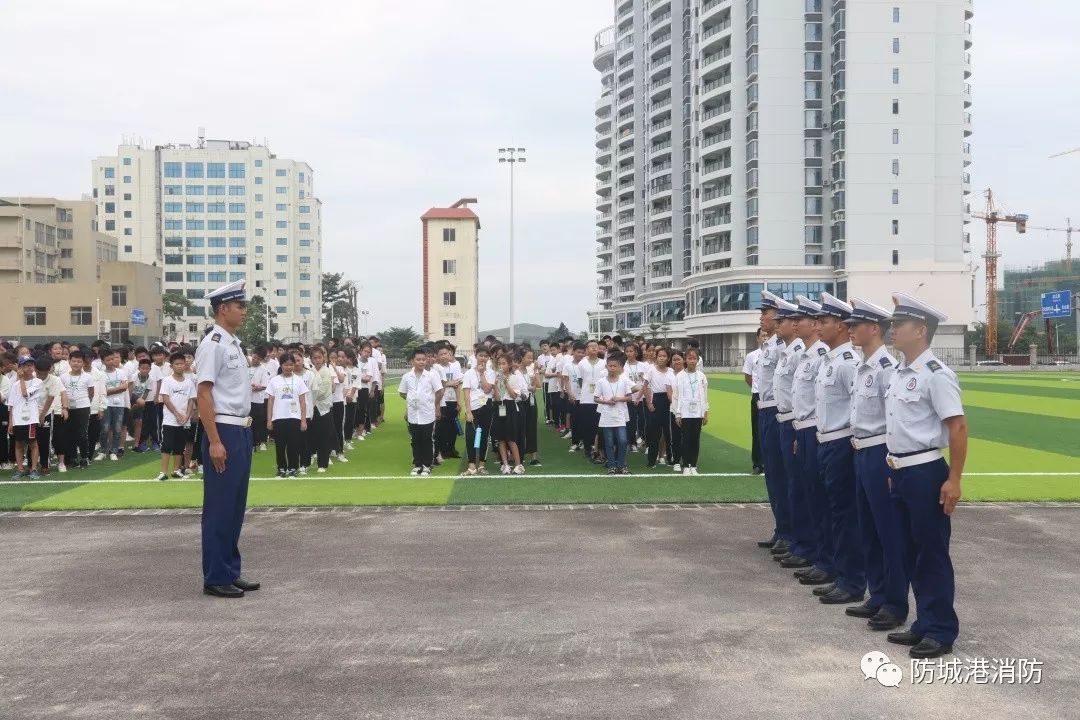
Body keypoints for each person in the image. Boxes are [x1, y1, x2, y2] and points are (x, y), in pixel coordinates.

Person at [883, 292, 967, 660]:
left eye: (898, 325)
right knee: (910, 551)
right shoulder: (901, 373)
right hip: (901, 472)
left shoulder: (937, 375)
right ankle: (923, 622)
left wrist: (955, 480)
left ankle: (941, 630)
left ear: (920, 330)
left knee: (931, 553)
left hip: (927, 472)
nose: (892, 330)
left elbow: (958, 427)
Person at [845, 297, 907, 632]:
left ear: (874, 329)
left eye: (856, 325)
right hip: (860, 452)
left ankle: (895, 603)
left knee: (888, 532)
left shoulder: (886, 370)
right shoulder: (861, 366)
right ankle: (877, 594)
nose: (850, 330)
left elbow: (893, 419)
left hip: (879, 454)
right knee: (867, 529)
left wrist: (889, 462)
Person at [195, 280, 259, 599]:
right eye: (240, 306)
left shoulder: (232, 343)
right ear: (223, 309)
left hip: (241, 429)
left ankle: (230, 570)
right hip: (224, 430)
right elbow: (203, 393)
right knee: (220, 506)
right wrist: (214, 441)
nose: (244, 311)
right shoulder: (214, 344)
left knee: (235, 506)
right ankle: (215, 576)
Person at [812, 292, 865, 605]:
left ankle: (852, 580)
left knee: (846, 516)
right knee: (832, 511)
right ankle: (838, 571)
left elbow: (858, 410)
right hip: (825, 441)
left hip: (842, 444)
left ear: (844, 327)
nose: (820, 325)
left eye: (826, 321)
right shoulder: (828, 361)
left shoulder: (849, 364)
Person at [783, 295, 832, 584]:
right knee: (804, 492)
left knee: (820, 498)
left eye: (800, 319)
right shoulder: (807, 356)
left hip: (818, 431)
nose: (796, 323)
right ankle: (811, 550)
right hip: (803, 428)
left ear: (813, 324)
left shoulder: (823, 356)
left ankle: (820, 555)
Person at [772, 299, 813, 565]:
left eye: (782, 320)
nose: (791, 324)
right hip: (788, 420)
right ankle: (793, 538)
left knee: (801, 488)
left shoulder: (803, 353)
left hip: (803, 426)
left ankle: (805, 545)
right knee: (786, 483)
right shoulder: (791, 351)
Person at [754, 291, 791, 550]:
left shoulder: (784, 347)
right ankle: (781, 528)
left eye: (765, 314)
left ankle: (789, 532)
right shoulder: (769, 345)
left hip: (779, 412)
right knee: (773, 476)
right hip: (765, 410)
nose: (762, 318)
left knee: (784, 476)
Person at [398, 348, 444, 476]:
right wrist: (411, 401)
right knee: (415, 440)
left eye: (423, 359)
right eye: (418, 359)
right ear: (412, 361)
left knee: (427, 439)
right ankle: (417, 464)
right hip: (413, 414)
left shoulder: (431, 375)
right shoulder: (407, 377)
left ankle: (427, 465)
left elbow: (440, 391)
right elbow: (402, 392)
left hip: (427, 413)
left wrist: (434, 405)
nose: (421, 362)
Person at [266, 352, 309, 478]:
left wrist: (303, 420)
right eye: (286, 365)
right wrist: (269, 420)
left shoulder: (299, 380)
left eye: (291, 365)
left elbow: (302, 401)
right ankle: (281, 468)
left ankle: (293, 468)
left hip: (294, 417)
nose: (289, 367)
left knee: (293, 445)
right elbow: (270, 401)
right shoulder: (274, 381)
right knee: (280, 445)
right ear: (281, 365)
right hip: (278, 418)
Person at [595, 350, 636, 475]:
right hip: (607, 415)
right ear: (606, 366)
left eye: (615, 366)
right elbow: (596, 398)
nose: (612, 368)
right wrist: (606, 402)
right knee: (608, 441)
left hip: (620, 416)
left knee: (623, 440)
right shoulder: (601, 382)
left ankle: (621, 465)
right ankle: (612, 466)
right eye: (610, 366)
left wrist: (618, 399)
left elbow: (629, 397)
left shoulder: (623, 381)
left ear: (619, 367)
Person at [156, 351, 196, 482]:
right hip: (170, 420)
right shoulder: (167, 381)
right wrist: (177, 414)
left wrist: (187, 416)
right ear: (171, 366)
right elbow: (166, 400)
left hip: (185, 421)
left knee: (180, 446)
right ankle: (163, 472)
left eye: (182, 363)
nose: (180, 366)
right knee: (167, 445)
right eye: (177, 364)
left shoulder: (189, 382)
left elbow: (191, 400)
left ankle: (176, 470)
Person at [8, 357, 50, 480]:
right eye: (26, 365)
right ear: (20, 368)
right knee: (18, 444)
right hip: (18, 419)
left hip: (31, 419)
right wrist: (11, 421)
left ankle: (33, 468)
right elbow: (11, 404)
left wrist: (20, 378)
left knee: (33, 443)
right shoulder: (15, 385)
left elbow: (25, 394)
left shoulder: (37, 382)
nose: (29, 367)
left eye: (31, 365)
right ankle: (20, 469)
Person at [673, 347, 709, 475]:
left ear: (698, 360)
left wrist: (705, 412)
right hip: (685, 412)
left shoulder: (701, 376)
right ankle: (686, 465)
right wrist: (678, 414)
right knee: (686, 439)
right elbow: (676, 396)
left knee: (695, 439)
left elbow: (705, 396)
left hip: (698, 412)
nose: (692, 361)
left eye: (695, 358)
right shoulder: (680, 376)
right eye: (689, 358)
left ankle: (693, 464)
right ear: (685, 360)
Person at [461, 347, 496, 475]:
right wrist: (468, 411)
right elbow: (466, 393)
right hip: (473, 408)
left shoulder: (491, 373)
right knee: (470, 437)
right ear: (476, 356)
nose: (483, 358)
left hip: (487, 406)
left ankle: (481, 464)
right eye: (481, 355)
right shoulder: (469, 373)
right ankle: (471, 465)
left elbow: (487, 390)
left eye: (486, 356)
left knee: (484, 437)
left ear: (488, 358)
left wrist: (482, 374)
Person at [59, 350, 92, 469]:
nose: (76, 364)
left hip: (83, 407)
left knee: (82, 434)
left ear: (83, 363)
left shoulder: (88, 377)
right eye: (74, 361)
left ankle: (84, 457)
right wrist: (65, 407)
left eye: (79, 361)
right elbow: (61, 393)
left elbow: (91, 393)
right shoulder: (63, 377)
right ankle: (72, 458)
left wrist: (85, 403)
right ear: (69, 361)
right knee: (69, 433)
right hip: (67, 408)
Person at [643, 346, 675, 468]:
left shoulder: (671, 371)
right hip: (656, 400)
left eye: (664, 356)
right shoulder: (651, 370)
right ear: (656, 357)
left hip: (669, 402)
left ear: (668, 358)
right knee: (654, 433)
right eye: (660, 356)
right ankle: (651, 460)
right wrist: (649, 403)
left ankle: (670, 459)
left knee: (668, 432)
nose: (662, 358)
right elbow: (645, 386)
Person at [492, 353, 523, 475]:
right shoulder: (497, 378)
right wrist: (495, 386)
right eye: (499, 363)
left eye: (504, 363)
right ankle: (505, 464)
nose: (501, 366)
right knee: (501, 439)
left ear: (509, 365)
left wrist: (506, 383)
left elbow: (514, 395)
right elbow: (498, 398)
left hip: (510, 407)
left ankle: (518, 464)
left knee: (511, 438)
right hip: (500, 406)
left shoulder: (514, 377)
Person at [98, 348, 131, 461]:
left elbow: (125, 387)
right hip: (105, 405)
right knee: (105, 428)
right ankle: (103, 451)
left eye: (113, 359)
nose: (111, 361)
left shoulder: (121, 372)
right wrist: (118, 388)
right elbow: (103, 391)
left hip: (119, 405)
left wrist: (112, 390)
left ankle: (114, 451)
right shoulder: (100, 375)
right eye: (108, 360)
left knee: (117, 428)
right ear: (103, 361)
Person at [34, 357, 66, 476]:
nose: (41, 375)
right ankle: (32, 465)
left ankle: (45, 465)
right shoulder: (32, 377)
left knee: (45, 439)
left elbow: (50, 398)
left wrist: (42, 415)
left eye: (44, 373)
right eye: (39, 373)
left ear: (49, 370)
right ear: (36, 370)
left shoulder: (55, 380)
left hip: (47, 412)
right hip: (32, 412)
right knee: (32, 439)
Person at [575, 340, 605, 465]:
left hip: (601, 399)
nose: (593, 348)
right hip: (586, 398)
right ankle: (588, 448)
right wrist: (587, 390)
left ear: (599, 349)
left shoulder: (604, 363)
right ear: (586, 349)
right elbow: (580, 380)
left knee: (599, 425)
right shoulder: (582, 363)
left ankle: (598, 449)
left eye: (596, 347)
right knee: (587, 425)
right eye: (591, 347)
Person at [742, 328, 767, 474]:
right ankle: (757, 463)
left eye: (767, 335)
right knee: (757, 430)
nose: (765, 338)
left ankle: (771, 462)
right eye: (763, 335)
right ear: (757, 338)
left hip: (773, 398)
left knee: (771, 431)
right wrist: (758, 389)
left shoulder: (778, 354)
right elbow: (748, 377)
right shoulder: (752, 356)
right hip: (757, 396)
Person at [435, 344, 463, 461]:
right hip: (442, 401)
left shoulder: (455, 366)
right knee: (442, 427)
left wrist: (458, 401)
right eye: (441, 354)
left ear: (450, 354)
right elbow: (437, 385)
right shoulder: (436, 368)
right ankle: (441, 450)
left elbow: (458, 385)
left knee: (453, 427)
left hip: (452, 400)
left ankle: (451, 449)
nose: (444, 356)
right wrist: (449, 383)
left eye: (445, 353)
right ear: (437, 356)